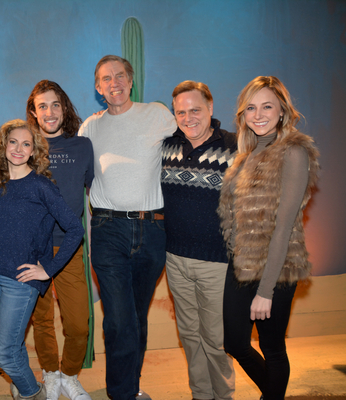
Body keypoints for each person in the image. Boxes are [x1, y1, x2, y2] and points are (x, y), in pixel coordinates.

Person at [78, 55, 176, 400]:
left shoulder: (158, 115)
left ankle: (129, 389)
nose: (114, 83)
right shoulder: (89, 127)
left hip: (152, 231)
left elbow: (193, 143)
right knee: (118, 319)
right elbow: (70, 173)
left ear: (131, 81)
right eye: (106, 78)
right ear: (97, 86)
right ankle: (122, 395)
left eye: (120, 76)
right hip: (108, 230)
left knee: (136, 316)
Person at [218, 76, 319, 400]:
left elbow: (284, 226)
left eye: (266, 107)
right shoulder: (246, 153)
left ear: (282, 111)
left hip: (277, 267)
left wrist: (265, 291)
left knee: (272, 347)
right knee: (234, 341)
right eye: (250, 107)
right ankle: (274, 394)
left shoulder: (294, 151)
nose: (258, 114)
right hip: (242, 264)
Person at [0, 119, 84, 400]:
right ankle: (25, 386)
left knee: (4, 353)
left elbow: (76, 229)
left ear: (34, 151)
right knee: (12, 347)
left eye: (26, 144)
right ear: (3, 146)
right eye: (13, 142)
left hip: (20, 282)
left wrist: (48, 269)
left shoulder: (41, 187)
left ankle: (32, 392)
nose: (18, 148)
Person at [161, 81, 237, 400]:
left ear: (211, 107)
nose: (188, 117)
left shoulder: (235, 146)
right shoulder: (165, 146)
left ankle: (224, 395)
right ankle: (201, 394)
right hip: (175, 258)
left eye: (195, 109)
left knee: (217, 339)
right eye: (181, 111)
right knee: (190, 336)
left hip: (218, 261)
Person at [26, 80, 94, 400]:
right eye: (42, 106)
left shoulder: (82, 146)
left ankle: (69, 374)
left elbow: (97, 192)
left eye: (55, 104)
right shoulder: (26, 146)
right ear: (34, 112)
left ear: (64, 107)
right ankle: (51, 374)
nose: (49, 112)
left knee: (79, 324)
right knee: (42, 321)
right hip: (34, 248)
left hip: (69, 247)